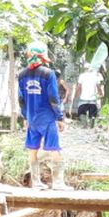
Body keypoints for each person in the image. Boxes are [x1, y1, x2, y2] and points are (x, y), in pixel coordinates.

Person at [17, 43, 68, 189]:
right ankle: (58, 183)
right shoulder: (48, 73)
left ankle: (36, 182)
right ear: (43, 57)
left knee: (33, 149)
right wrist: (59, 117)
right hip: (47, 118)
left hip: (32, 118)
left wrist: (25, 117)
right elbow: (53, 97)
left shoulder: (21, 74)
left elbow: (21, 99)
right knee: (54, 148)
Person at [75, 63, 103, 128]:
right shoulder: (95, 76)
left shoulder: (82, 76)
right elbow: (98, 87)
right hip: (92, 98)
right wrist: (101, 94)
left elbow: (78, 86)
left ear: (84, 69)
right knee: (93, 113)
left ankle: (84, 124)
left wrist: (76, 95)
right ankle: (91, 124)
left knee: (81, 112)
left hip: (83, 98)